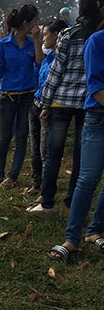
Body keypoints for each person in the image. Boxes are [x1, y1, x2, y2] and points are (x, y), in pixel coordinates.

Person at [28, 0, 104, 214]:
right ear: (99, 5)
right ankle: (70, 204)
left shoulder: (69, 34)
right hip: (89, 103)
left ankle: (47, 202)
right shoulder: (98, 35)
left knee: (53, 155)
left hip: (61, 101)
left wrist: (44, 103)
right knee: (80, 157)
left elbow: (56, 71)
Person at [48, 18, 104, 260]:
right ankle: (72, 239)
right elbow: (95, 86)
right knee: (88, 178)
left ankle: (95, 231)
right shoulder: (96, 41)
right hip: (97, 119)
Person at [0, 4, 44, 190]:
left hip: (27, 97)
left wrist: (36, 41)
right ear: (26, 23)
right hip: (7, 97)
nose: (37, 25)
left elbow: (40, 63)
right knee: (4, 138)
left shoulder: (32, 44)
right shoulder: (3, 45)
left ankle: (12, 175)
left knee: (21, 137)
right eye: (35, 22)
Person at [25, 19, 68, 197]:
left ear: (56, 35)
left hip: (47, 109)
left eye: (45, 35)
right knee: (35, 148)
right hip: (35, 106)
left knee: (45, 152)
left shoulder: (61, 60)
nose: (43, 39)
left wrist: (48, 106)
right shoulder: (48, 57)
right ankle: (37, 183)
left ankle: (46, 192)